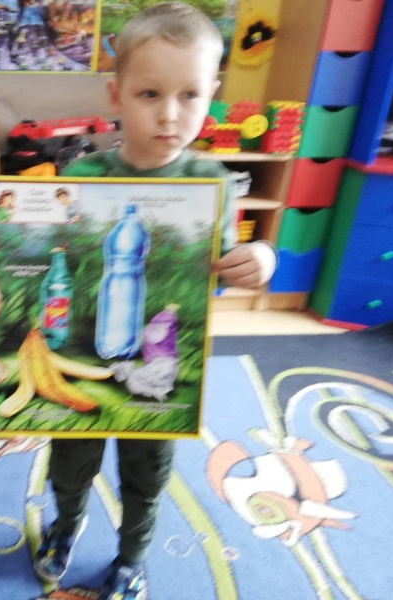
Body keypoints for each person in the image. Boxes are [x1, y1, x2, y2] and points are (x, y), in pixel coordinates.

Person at [31, 4, 277, 599]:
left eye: (189, 95)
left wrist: (262, 259)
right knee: (70, 461)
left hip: (165, 363)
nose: (169, 114)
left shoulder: (213, 181)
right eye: (149, 94)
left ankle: (132, 558)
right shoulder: (84, 174)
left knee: (147, 472)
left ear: (211, 95)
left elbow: (225, 264)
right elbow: (50, 257)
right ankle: (66, 526)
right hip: (88, 352)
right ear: (116, 96)